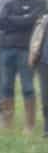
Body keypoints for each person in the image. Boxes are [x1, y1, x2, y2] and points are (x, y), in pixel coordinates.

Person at [0, 0, 45, 130]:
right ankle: (6, 121)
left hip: (26, 50)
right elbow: (1, 22)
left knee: (27, 86)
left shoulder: (40, 4)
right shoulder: (10, 3)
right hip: (6, 48)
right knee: (6, 85)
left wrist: (15, 20)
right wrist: (22, 19)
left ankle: (29, 124)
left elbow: (31, 22)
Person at [29, 8, 48, 136]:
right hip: (44, 62)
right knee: (45, 96)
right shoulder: (45, 20)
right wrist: (33, 54)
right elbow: (36, 38)